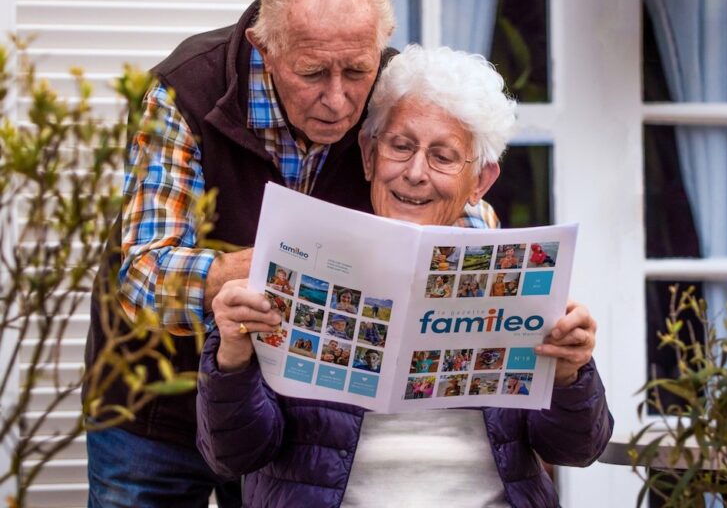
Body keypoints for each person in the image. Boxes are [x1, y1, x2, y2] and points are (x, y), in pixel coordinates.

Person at [197, 45, 613, 507]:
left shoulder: (515, 273)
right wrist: (231, 360)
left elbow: (577, 449)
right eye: (401, 146)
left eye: (443, 156)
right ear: (370, 156)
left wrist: (571, 374)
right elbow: (231, 455)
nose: (415, 173)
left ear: (480, 182)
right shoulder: (302, 257)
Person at [82, 0, 421, 508]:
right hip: (156, 410)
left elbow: (447, 193)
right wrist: (263, 273)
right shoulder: (183, 89)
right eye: (312, 73)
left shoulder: (392, 85)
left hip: (289, 417)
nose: (338, 100)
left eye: (357, 71)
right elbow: (142, 275)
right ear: (267, 46)